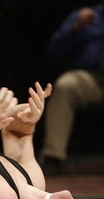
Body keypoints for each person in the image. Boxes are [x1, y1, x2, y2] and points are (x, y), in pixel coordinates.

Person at [40, 1, 104, 175]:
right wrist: (76, 27)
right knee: (66, 85)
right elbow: (54, 50)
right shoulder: (88, 17)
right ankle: (53, 157)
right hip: (92, 79)